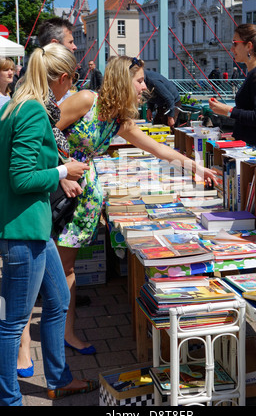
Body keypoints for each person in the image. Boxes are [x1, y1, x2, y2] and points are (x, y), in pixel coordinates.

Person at [49, 56, 217, 354]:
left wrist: (195, 167)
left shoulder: (118, 119)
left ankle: (64, 333)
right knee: (58, 269)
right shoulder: (87, 100)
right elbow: (44, 131)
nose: (145, 86)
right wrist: (62, 171)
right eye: (139, 80)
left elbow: (159, 149)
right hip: (62, 193)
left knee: (66, 268)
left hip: (82, 200)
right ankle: (57, 335)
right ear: (121, 80)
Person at [0, 43, 100, 405]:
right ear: (61, 79)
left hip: (35, 228)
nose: (70, 92)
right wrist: (63, 170)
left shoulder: (19, 105)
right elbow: (19, 178)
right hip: (23, 229)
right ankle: (9, 398)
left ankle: (57, 379)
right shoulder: (31, 111)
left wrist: (58, 177)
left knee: (57, 301)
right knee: (13, 322)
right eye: (70, 82)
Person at [208, 23, 256, 146]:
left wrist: (228, 111)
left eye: (235, 43)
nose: (232, 48)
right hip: (250, 145)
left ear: (249, 46)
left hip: (255, 148)